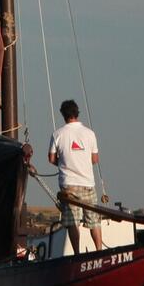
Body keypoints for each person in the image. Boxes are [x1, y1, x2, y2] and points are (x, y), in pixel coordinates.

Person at [48, 99, 103, 254]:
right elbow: (95, 159)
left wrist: (64, 163)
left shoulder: (57, 134)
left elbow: (51, 158)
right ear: (77, 113)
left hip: (68, 185)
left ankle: (77, 254)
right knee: (94, 221)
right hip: (88, 183)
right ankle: (99, 251)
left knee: (73, 222)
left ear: (63, 115)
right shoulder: (90, 133)